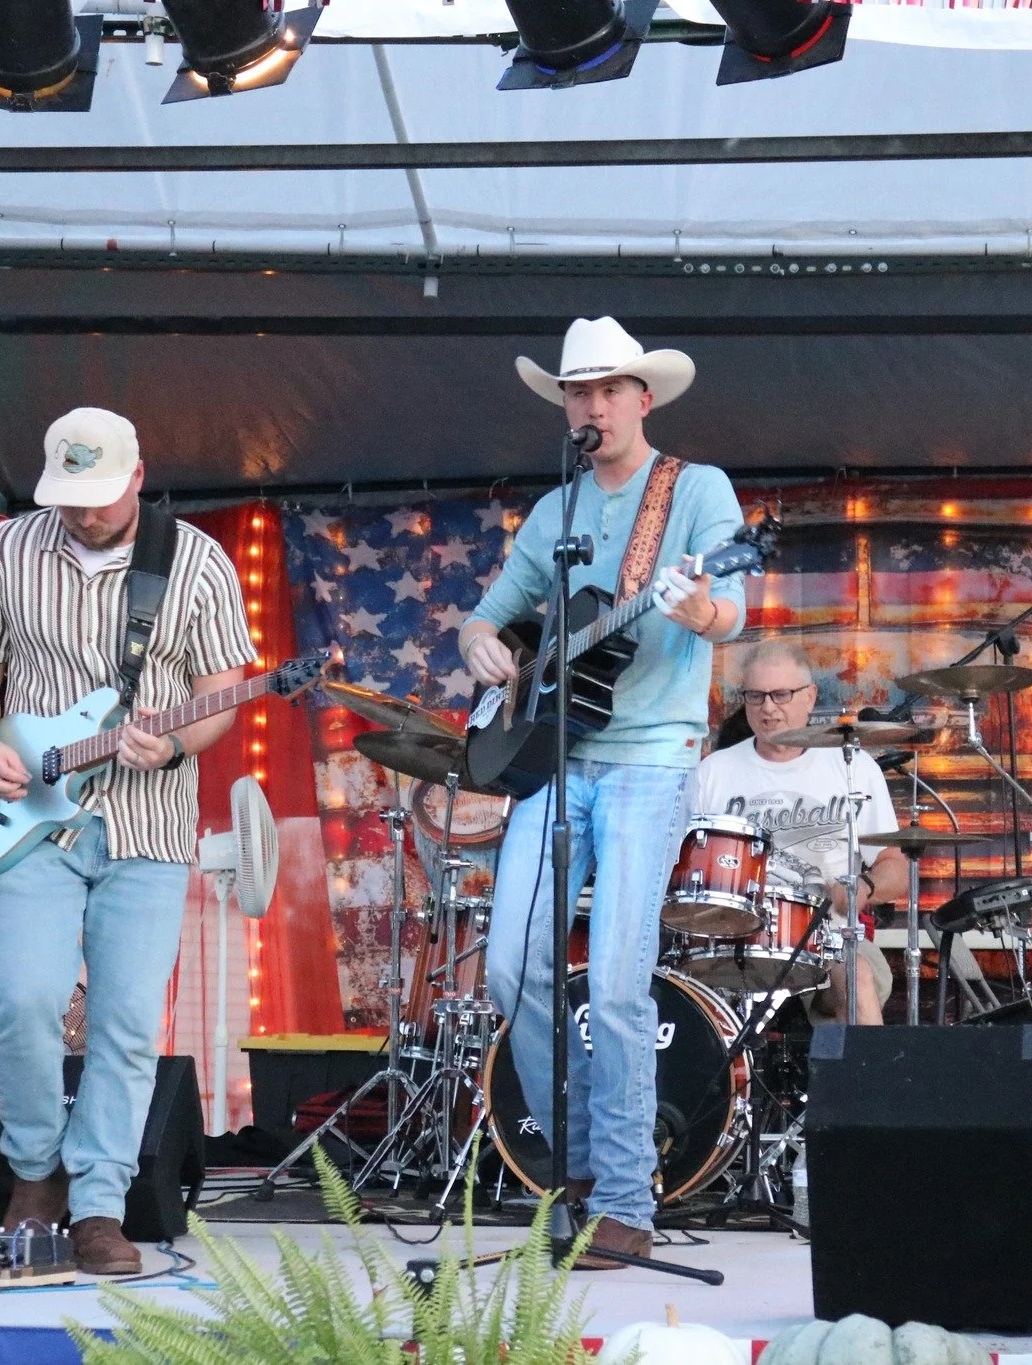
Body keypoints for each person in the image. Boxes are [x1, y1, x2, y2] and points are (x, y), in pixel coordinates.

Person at [462, 317, 746, 1269]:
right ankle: (578, 1170)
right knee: (512, 966)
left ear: (643, 399)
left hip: (649, 761)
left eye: (608, 388)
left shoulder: (696, 491)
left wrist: (698, 605)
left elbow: (731, 613)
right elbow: (487, 617)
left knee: (620, 981)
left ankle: (625, 1197)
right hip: (554, 758)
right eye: (577, 392)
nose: (591, 405)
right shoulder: (558, 509)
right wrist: (489, 650)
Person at [0, 408, 254, 1274]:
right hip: (32, 816)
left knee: (125, 1022)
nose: (83, 514)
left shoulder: (194, 561)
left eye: (99, 496)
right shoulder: (9, 551)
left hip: (147, 824)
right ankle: (34, 1172)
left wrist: (176, 740)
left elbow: (222, 688)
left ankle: (98, 1204)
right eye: (69, 498)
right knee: (24, 1000)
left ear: (137, 474)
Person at [692, 640, 911, 1025]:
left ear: (810, 697)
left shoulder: (852, 766)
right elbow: (682, 867)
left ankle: (869, 1085)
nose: (768, 707)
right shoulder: (714, 771)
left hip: (830, 939)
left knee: (858, 981)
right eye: (756, 696)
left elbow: (895, 863)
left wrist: (864, 888)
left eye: (781, 694)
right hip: (735, 937)